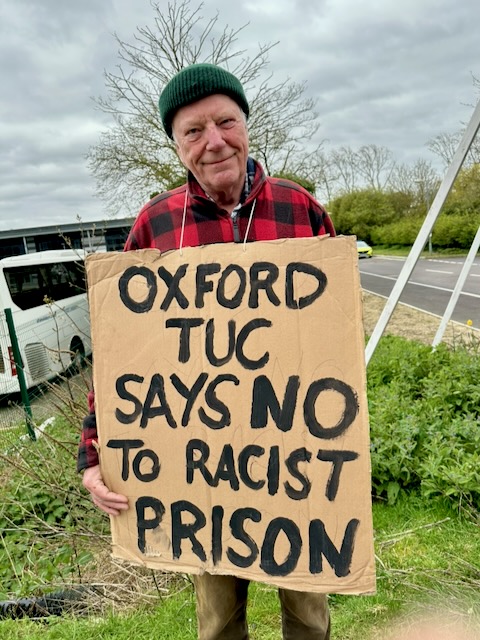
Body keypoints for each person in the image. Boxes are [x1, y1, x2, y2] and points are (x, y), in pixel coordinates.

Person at [78, 63, 335, 640]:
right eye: (194, 131)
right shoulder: (155, 225)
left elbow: (333, 336)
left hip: (293, 455)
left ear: (246, 125)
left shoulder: (301, 210)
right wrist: (93, 451)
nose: (214, 140)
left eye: (226, 121)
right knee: (217, 622)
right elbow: (123, 352)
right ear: (176, 145)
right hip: (202, 466)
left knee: (310, 614)